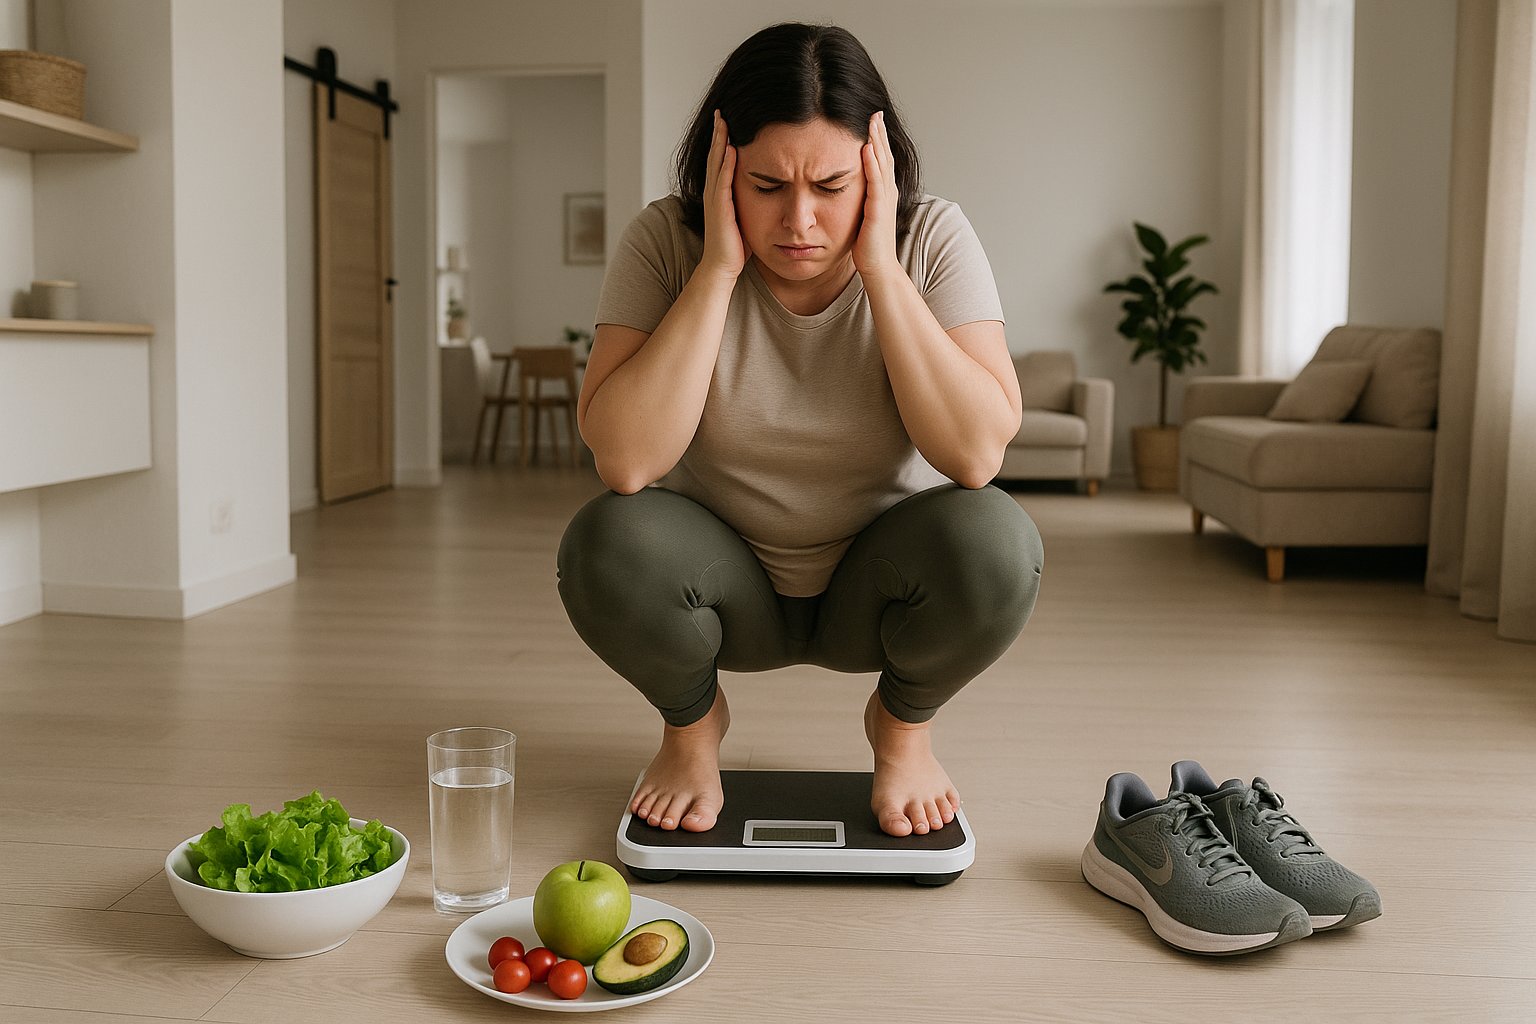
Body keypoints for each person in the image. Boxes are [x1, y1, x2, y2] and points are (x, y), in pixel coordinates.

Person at [558, 23, 1042, 838]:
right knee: (603, 541)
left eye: (830, 185)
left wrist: (882, 270)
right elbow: (626, 461)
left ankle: (902, 731)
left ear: (876, 175)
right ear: (721, 172)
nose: (801, 221)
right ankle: (691, 728)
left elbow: (976, 452)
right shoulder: (667, 243)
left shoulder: (931, 238)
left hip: (878, 585)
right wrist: (717, 269)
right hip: (724, 584)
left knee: (999, 540)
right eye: (767, 184)